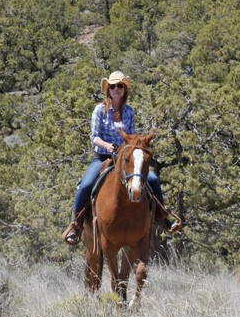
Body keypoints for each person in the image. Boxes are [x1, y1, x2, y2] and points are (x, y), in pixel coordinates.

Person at [62, 71, 179, 246]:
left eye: (120, 86)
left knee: (153, 180)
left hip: (125, 159)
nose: (116, 89)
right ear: (108, 89)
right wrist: (106, 145)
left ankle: (163, 218)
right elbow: (94, 137)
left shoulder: (129, 111)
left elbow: (131, 137)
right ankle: (76, 225)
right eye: (113, 86)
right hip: (102, 157)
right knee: (86, 185)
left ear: (124, 89)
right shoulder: (99, 110)